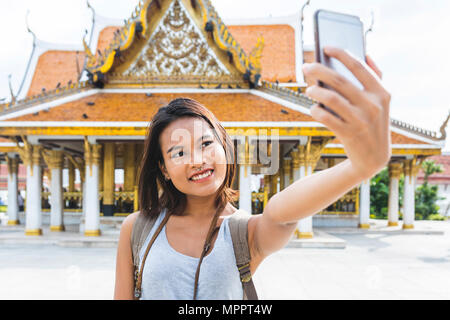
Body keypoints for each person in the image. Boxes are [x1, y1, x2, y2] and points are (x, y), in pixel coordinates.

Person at [114, 47, 391, 300]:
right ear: (163, 168)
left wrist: (359, 168)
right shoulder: (137, 229)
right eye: (179, 153)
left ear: (225, 148)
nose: (197, 160)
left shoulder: (242, 232)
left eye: (206, 144)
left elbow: (281, 214)